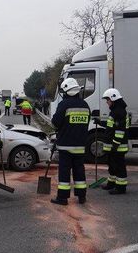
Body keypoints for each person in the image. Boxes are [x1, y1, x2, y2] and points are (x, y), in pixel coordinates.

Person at [50, 78, 90, 206]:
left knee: (64, 172)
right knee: (79, 171)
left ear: (66, 91)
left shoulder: (64, 104)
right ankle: (81, 196)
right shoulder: (85, 105)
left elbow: (55, 123)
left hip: (66, 146)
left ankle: (62, 198)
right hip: (80, 146)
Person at [94, 88, 130, 195]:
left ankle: (121, 187)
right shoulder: (115, 111)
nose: (107, 102)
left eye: (108, 100)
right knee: (112, 165)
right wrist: (100, 122)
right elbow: (111, 126)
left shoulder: (119, 112)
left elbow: (119, 131)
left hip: (118, 147)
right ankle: (111, 183)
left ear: (113, 99)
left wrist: (115, 145)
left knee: (119, 167)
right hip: (114, 146)